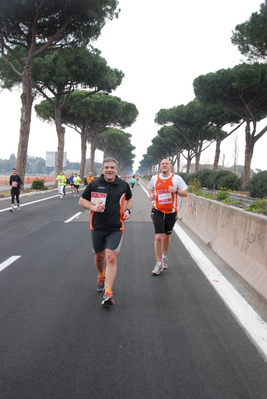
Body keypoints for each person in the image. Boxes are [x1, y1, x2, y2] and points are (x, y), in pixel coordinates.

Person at [79, 157, 133, 306]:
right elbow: (81, 200)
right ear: (102, 170)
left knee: (111, 258)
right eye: (107, 167)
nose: (109, 170)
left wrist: (127, 210)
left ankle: (108, 292)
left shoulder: (123, 185)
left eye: (112, 167)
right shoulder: (94, 184)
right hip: (97, 227)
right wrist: (92, 207)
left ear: (116, 170)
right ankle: (101, 275)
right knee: (99, 257)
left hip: (116, 227)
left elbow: (129, 199)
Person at [148, 159, 188, 276]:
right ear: (160, 167)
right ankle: (158, 263)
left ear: (170, 166)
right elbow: (150, 188)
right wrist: (151, 195)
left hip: (171, 212)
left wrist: (175, 191)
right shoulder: (155, 178)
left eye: (166, 163)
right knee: (159, 237)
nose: (164, 165)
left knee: (167, 236)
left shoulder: (177, 179)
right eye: (162, 164)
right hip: (157, 210)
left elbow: (185, 193)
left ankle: (164, 256)